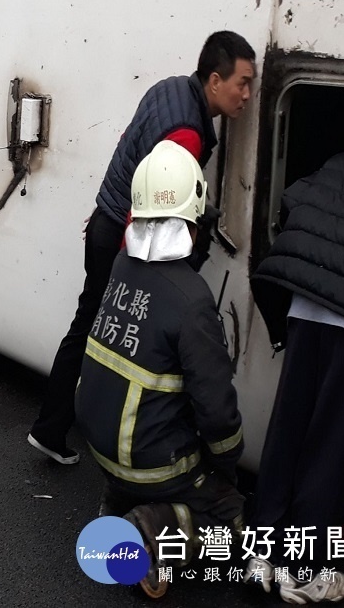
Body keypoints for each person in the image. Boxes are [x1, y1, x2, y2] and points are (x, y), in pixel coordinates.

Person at [28, 30, 256, 465]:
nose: (248, 94)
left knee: (89, 325)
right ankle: (90, 434)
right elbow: (155, 208)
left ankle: (52, 427)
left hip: (105, 222)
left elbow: (128, 154)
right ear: (214, 80)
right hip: (122, 235)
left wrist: (104, 210)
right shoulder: (188, 134)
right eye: (242, 83)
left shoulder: (168, 88)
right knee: (121, 339)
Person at [75, 141, 245, 600]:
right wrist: (226, 467)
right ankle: (148, 532)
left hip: (100, 446)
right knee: (233, 524)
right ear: (195, 211)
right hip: (145, 463)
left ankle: (121, 502)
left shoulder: (121, 266)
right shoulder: (192, 300)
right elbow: (217, 413)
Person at [244, 146, 344, 604]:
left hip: (306, 305)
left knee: (289, 426)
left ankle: (261, 553)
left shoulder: (343, 160)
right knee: (333, 442)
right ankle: (304, 569)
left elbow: (291, 199)